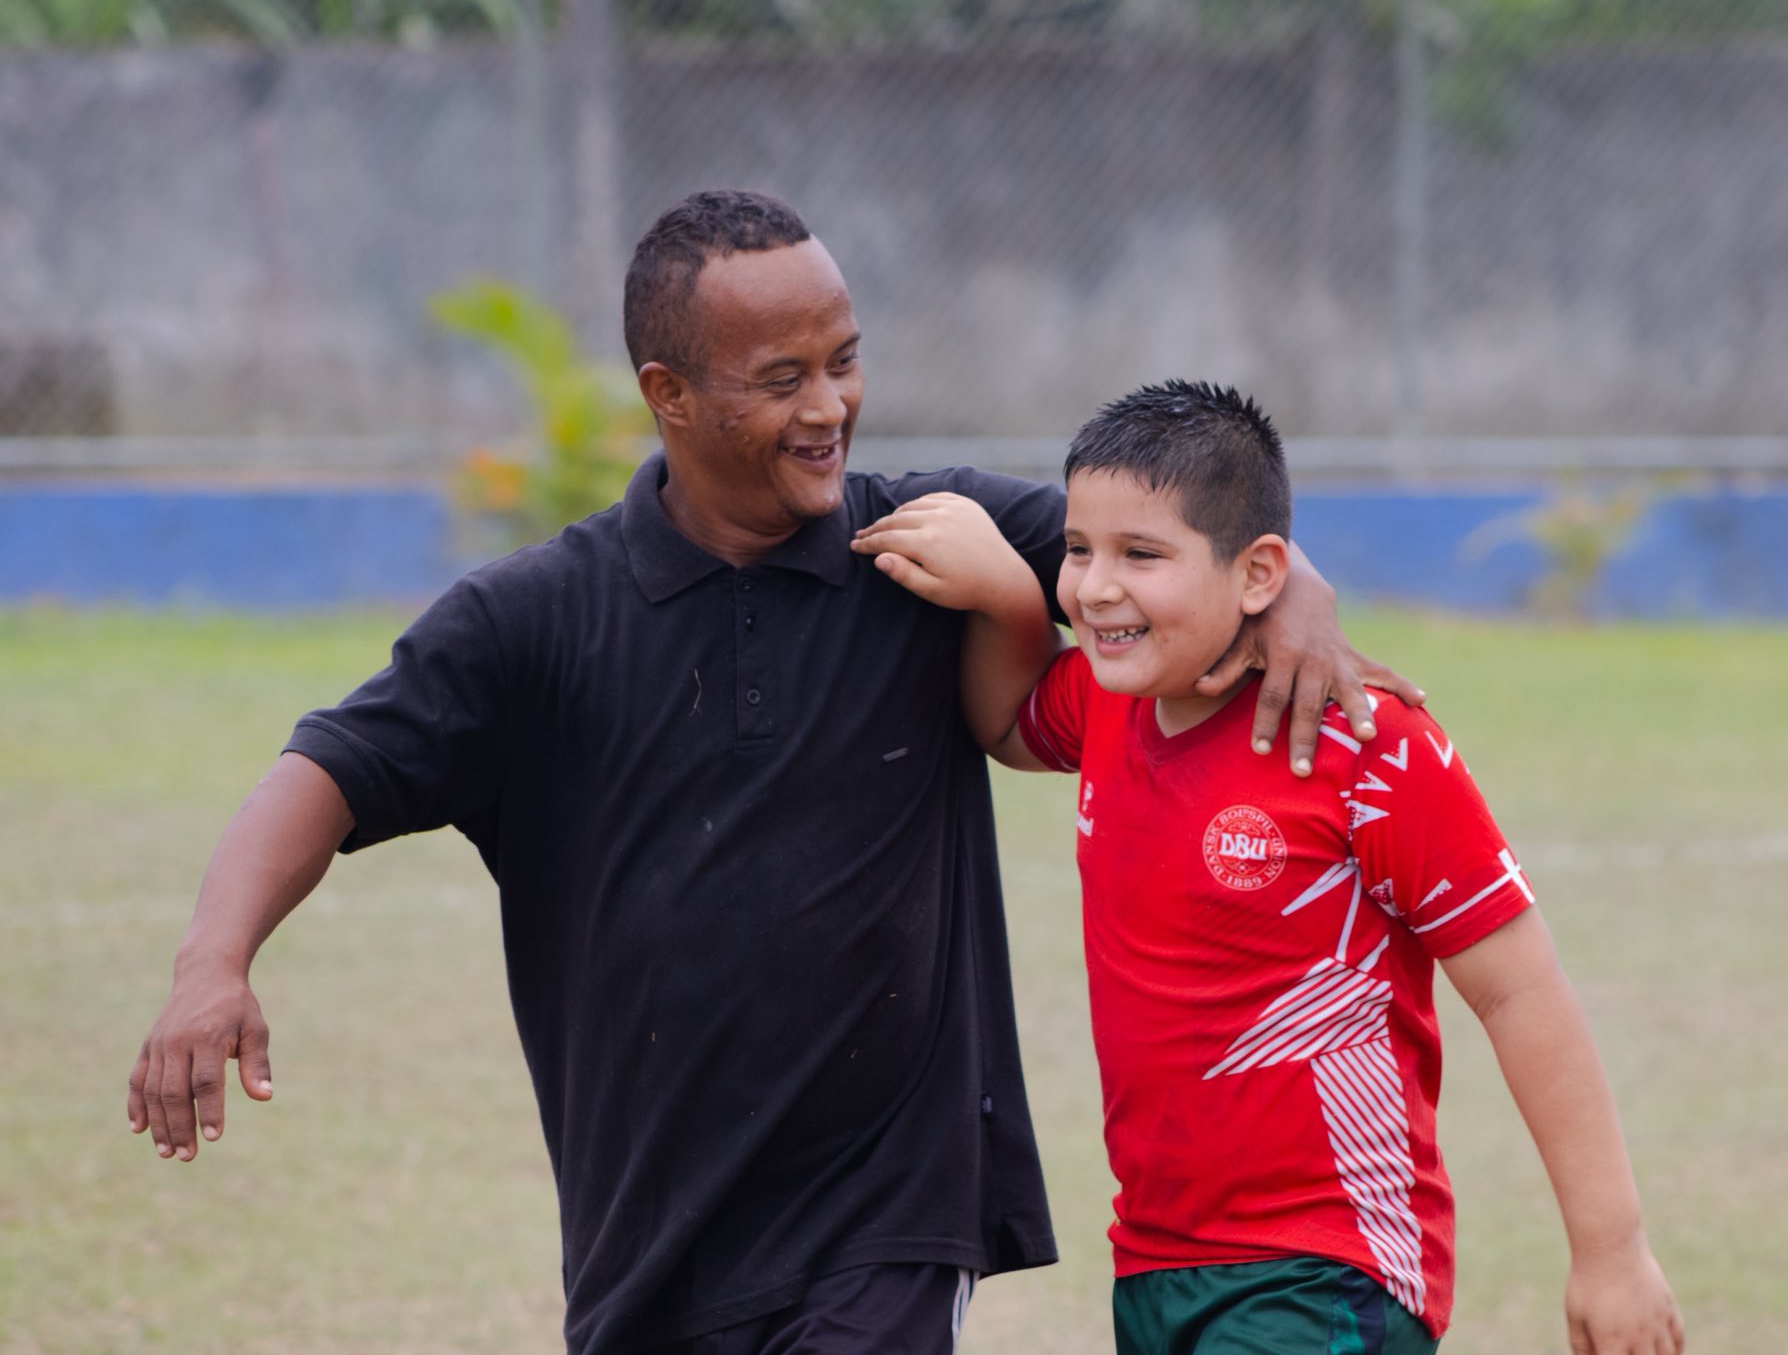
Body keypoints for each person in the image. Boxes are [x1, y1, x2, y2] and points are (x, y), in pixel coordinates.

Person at [125, 194, 1421, 1354]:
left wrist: (1295, 588)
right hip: (649, 1239)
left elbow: (1168, 544)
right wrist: (211, 959)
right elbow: (331, 767)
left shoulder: (924, 541)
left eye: (844, 360)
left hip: (887, 1218)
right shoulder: (533, 623)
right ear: (670, 393)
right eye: (782, 377)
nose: (829, 406)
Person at [852, 380, 1685, 1354]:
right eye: (1077, 550)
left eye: (1140, 555)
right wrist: (1008, 593)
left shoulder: (1367, 746)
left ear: (1260, 575)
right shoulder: (1106, 702)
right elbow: (1004, 722)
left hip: (1327, 1264)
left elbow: (1520, 994)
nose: (1094, 588)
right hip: (1154, 1260)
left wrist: (1610, 1249)